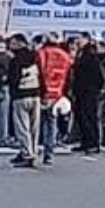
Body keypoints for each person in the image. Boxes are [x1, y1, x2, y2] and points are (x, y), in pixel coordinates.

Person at [37, 36, 74, 165]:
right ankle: (49, 152)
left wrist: (41, 92)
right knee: (51, 122)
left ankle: (32, 150)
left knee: (36, 123)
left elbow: (39, 73)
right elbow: (69, 77)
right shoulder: (65, 56)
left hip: (42, 92)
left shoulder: (42, 54)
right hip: (58, 93)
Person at [7, 35, 41, 167]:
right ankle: (33, 151)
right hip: (35, 93)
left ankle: (27, 154)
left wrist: (12, 90)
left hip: (21, 95)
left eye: (12, 43)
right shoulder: (35, 57)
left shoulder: (15, 60)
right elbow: (41, 75)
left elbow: (13, 78)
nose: (10, 46)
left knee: (22, 127)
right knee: (34, 127)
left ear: (19, 43)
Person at [71, 39, 105, 154]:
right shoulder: (83, 56)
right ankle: (85, 141)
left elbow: (98, 76)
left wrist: (96, 89)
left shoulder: (90, 57)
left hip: (88, 92)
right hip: (82, 91)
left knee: (89, 118)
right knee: (82, 118)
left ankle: (93, 143)